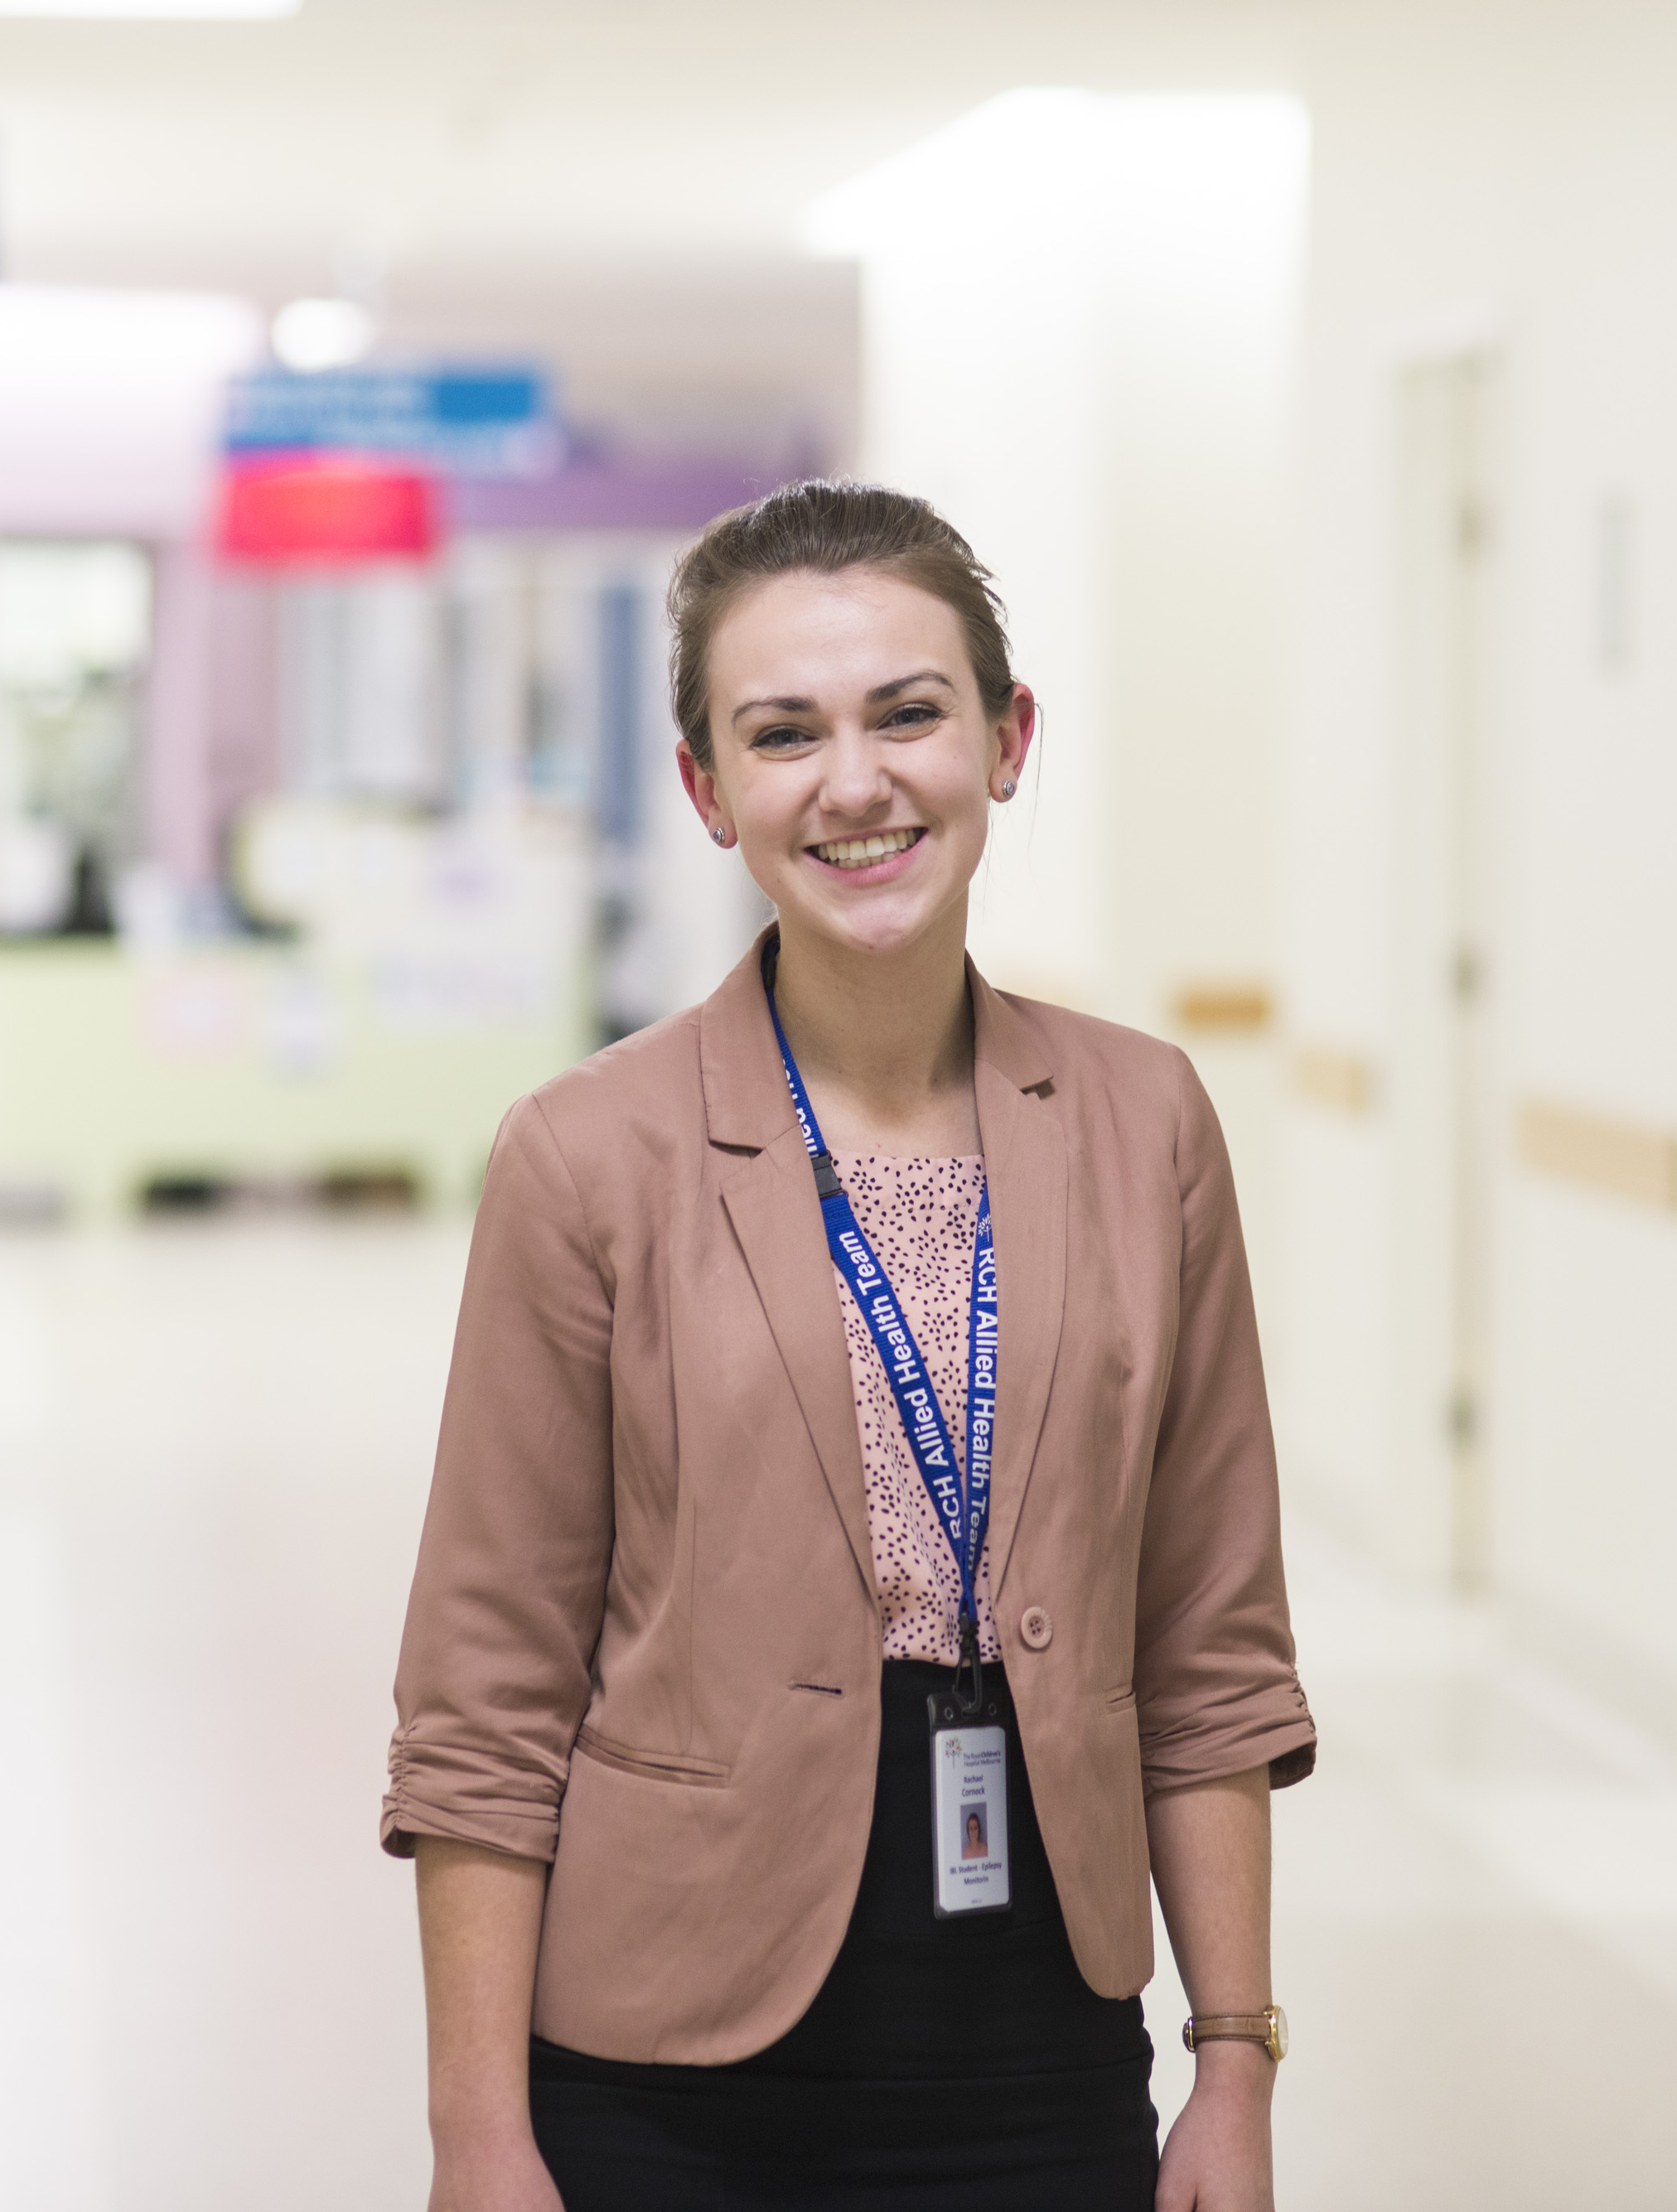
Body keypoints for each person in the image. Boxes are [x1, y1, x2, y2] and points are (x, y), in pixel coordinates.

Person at [384, 481, 1317, 2212]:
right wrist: (475, 2139)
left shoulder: (1142, 1122)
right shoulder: (586, 1156)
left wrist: (1235, 2064)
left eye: (908, 712)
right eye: (782, 733)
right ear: (705, 788)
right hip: (667, 2067)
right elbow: (483, 1700)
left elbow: (1209, 1646)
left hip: (1046, 2036)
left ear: (1004, 737)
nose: (856, 781)